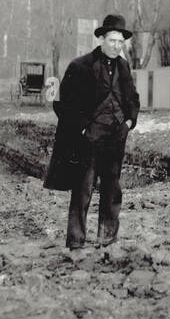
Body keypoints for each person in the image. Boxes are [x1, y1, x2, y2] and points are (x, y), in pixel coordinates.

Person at [43, 14, 141, 248]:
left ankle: (107, 238)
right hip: (89, 139)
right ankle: (76, 241)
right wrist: (83, 127)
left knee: (112, 188)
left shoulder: (124, 67)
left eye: (120, 42)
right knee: (83, 188)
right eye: (112, 41)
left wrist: (129, 123)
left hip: (117, 136)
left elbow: (133, 98)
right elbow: (62, 103)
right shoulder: (81, 65)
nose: (117, 46)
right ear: (101, 40)